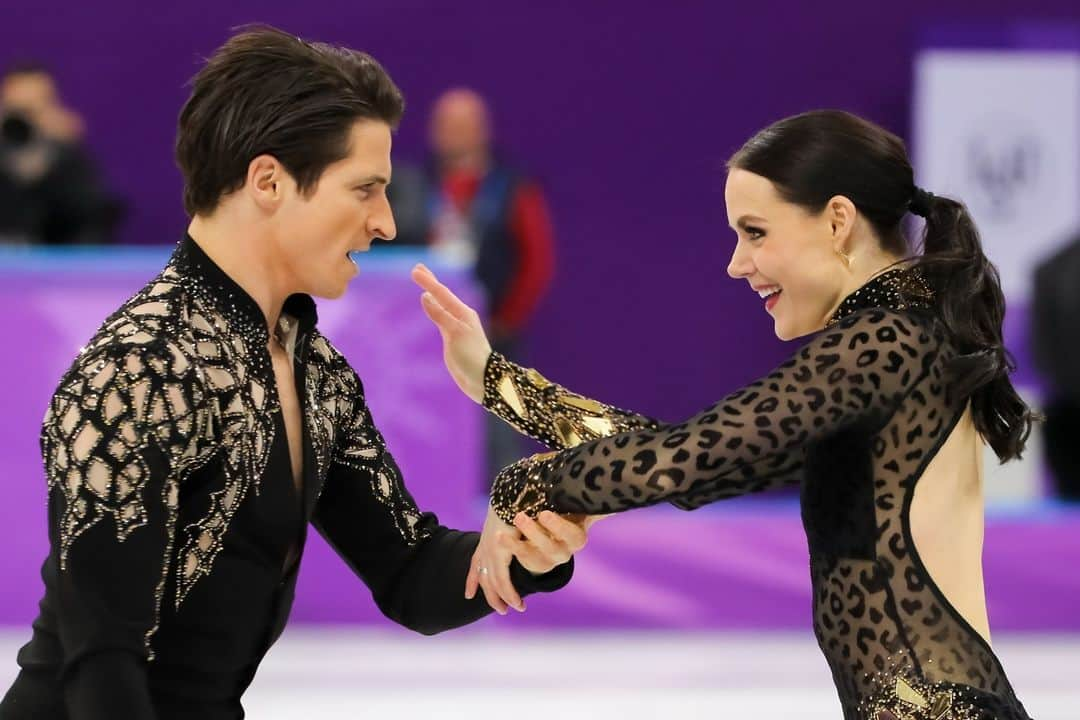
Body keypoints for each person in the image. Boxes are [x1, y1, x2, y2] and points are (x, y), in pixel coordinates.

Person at [0, 27, 589, 720]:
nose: (387, 223)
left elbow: (409, 573)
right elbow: (98, 663)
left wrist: (526, 552)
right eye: (365, 189)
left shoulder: (315, 371)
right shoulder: (139, 369)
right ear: (269, 182)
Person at [414, 110, 1037, 719]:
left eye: (756, 232)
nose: (737, 263)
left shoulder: (881, 345)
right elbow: (694, 456)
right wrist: (499, 384)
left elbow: (680, 464)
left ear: (838, 221)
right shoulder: (906, 336)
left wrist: (526, 482)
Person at [389, 88, 555, 484]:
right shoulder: (411, 186)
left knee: (497, 427)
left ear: (483, 130)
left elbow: (537, 262)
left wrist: (505, 320)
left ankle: (507, 506)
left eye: (463, 125)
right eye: (446, 125)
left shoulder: (513, 188)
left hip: (493, 334)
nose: (454, 134)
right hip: (424, 339)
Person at [0, 63, 122, 244]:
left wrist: (58, 155)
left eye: (33, 110)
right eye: (17, 111)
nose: (23, 121)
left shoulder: (68, 157)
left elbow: (91, 225)